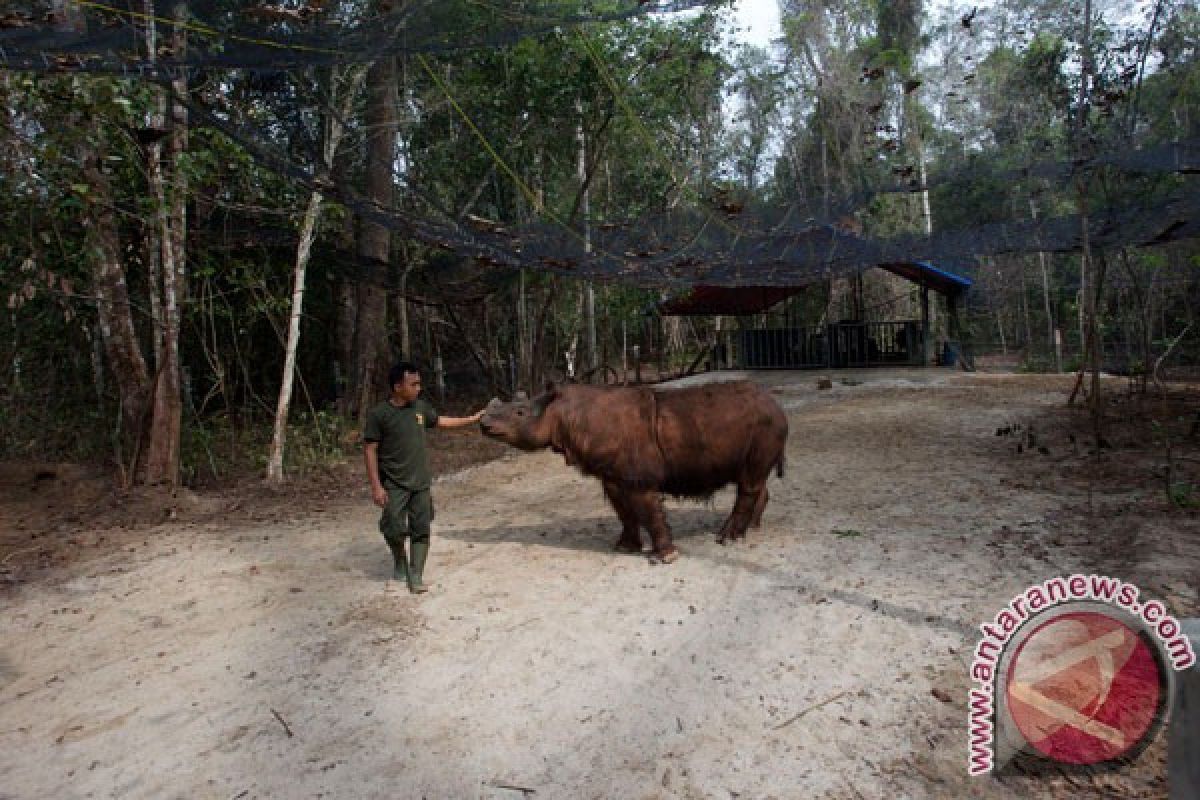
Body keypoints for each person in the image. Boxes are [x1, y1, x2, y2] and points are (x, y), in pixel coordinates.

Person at [363, 362, 484, 594]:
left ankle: (416, 573)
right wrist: (376, 486)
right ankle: (399, 559)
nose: (418, 388)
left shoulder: (420, 408)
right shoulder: (379, 415)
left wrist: (472, 419)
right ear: (397, 387)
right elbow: (370, 450)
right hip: (394, 483)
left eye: (419, 383)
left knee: (421, 528)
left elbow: (441, 422)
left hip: (420, 483)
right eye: (413, 384)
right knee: (393, 527)